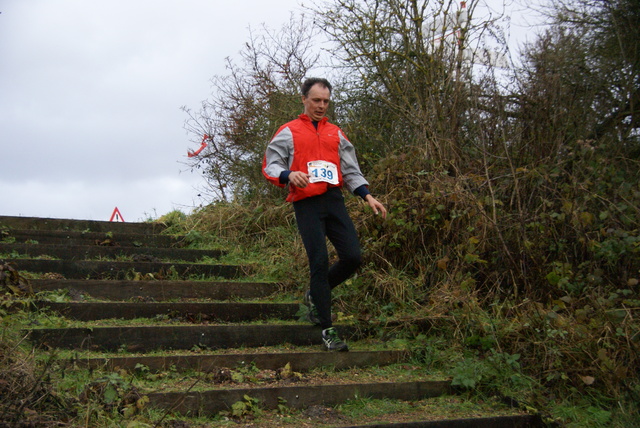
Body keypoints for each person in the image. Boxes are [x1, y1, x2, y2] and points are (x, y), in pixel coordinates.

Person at [262, 77, 387, 352]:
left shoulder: (336, 134)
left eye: (326, 101)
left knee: (353, 256)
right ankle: (328, 330)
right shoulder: (288, 131)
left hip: (333, 200)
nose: (321, 106)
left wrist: (367, 195)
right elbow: (270, 165)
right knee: (318, 261)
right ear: (304, 99)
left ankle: (315, 295)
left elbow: (351, 170)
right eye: (316, 100)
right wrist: (288, 174)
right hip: (306, 203)